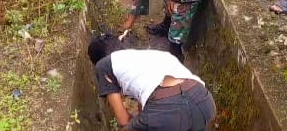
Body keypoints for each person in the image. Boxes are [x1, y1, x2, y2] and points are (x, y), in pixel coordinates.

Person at [88, 35, 216, 131]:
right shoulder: (144, 58)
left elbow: (123, 120)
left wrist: (135, 122)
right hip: (204, 101)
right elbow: (146, 97)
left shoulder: (103, 65)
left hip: (169, 110)